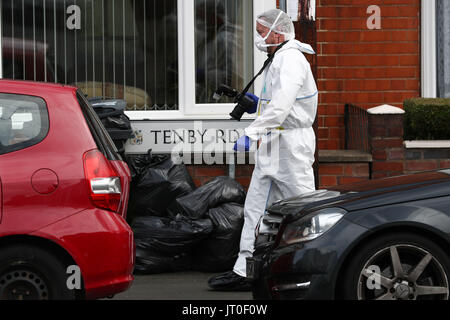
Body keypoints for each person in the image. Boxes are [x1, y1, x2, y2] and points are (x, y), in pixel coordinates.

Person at [208, 9, 318, 291]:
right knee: (255, 209)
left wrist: (251, 131)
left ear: (277, 33)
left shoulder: (291, 59)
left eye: (261, 32)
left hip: (290, 147)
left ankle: (315, 266)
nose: (259, 38)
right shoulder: (279, 58)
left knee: (304, 210)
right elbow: (278, 104)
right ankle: (245, 270)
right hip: (275, 143)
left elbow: (281, 109)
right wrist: (257, 103)